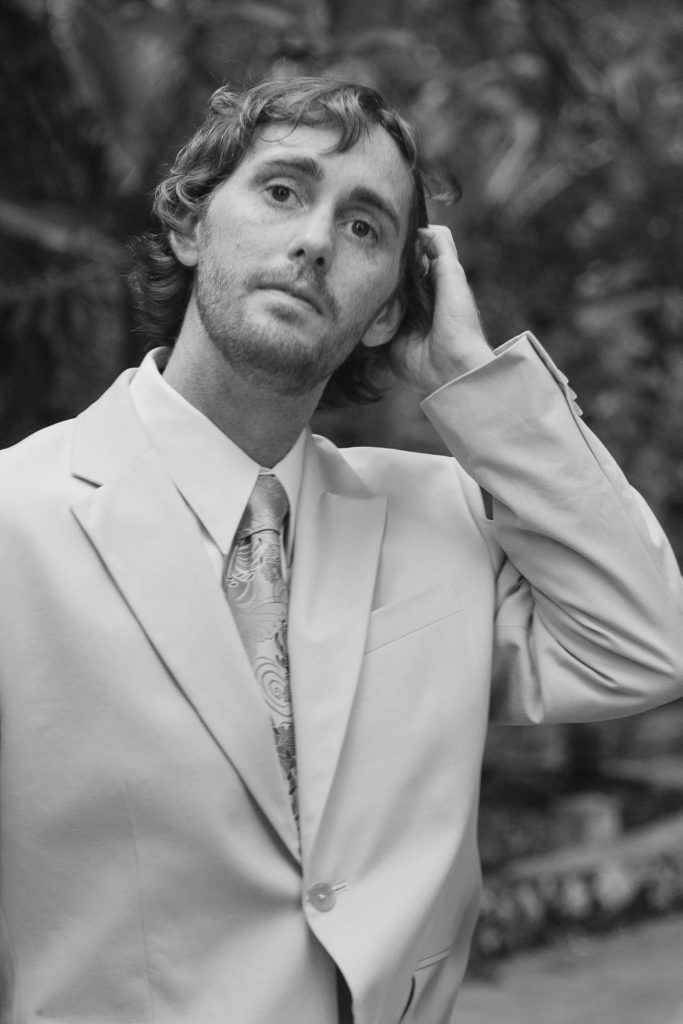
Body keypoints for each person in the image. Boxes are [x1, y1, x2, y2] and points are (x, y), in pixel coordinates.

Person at [0, 76, 681, 1024]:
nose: (316, 239)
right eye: (282, 191)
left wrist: (478, 381)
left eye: (365, 227)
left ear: (390, 310)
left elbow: (646, 646)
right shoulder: (15, 519)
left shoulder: (439, 513)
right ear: (192, 225)